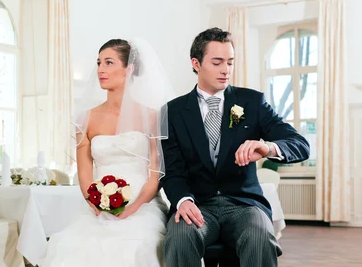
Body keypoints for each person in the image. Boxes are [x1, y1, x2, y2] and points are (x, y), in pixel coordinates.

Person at [161, 28, 310, 267]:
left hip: (245, 206)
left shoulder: (252, 102)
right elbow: (171, 170)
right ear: (196, 63)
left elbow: (300, 145)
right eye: (217, 62)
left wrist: (268, 148)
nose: (226, 70)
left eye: (230, 62)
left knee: (259, 235)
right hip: (197, 204)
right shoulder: (173, 111)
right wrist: (183, 201)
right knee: (179, 237)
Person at [40, 38, 175, 266]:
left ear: (129, 69)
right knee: (74, 246)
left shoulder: (152, 117)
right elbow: (84, 173)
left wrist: (133, 208)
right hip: (98, 208)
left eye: (109, 63)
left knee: (134, 246)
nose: (101, 69)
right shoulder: (86, 119)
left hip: (143, 205)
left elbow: (155, 176)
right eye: (99, 62)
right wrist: (94, 203)